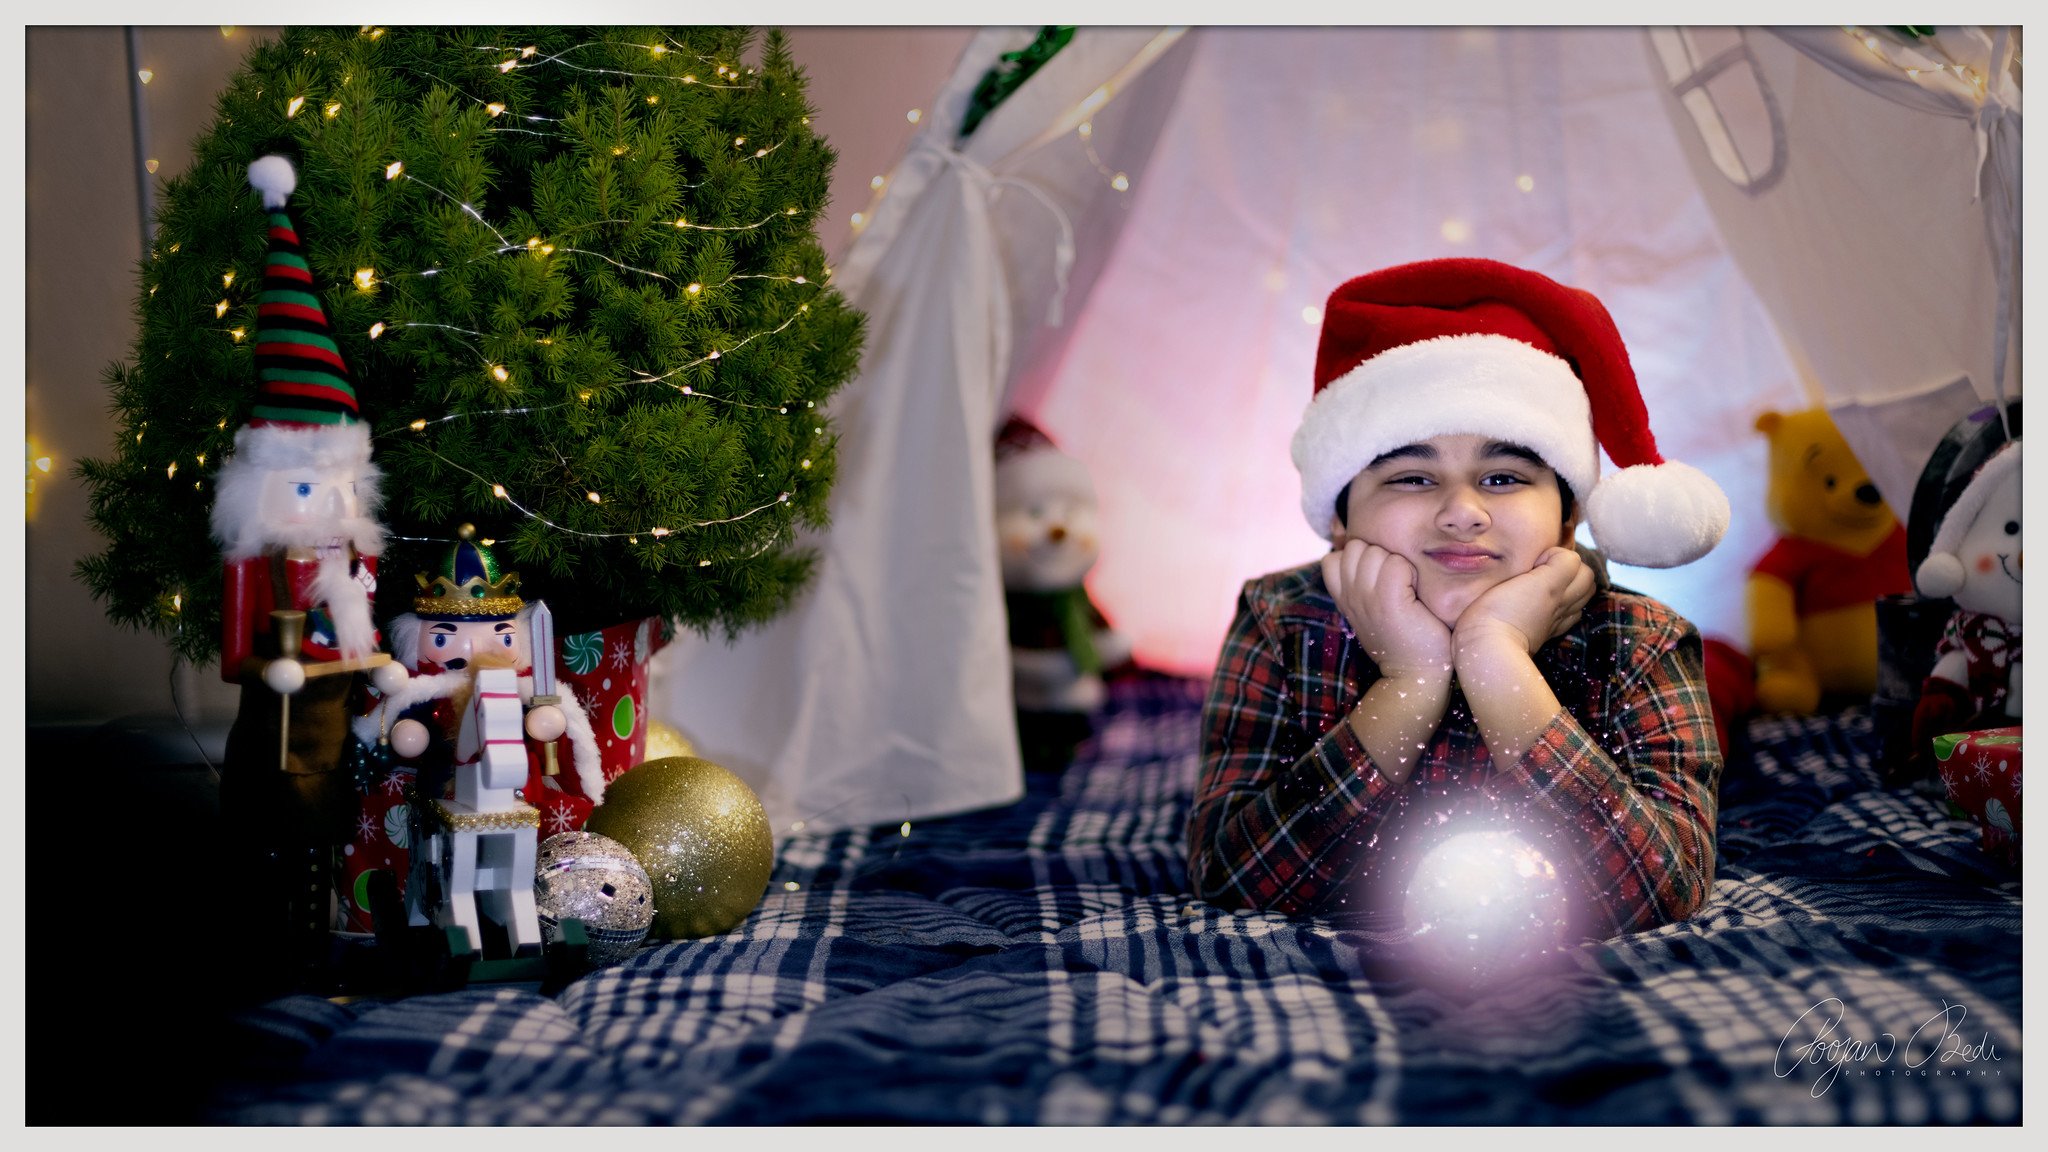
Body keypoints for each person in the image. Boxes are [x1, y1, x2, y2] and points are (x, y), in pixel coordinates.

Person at [1186, 258, 1731, 939]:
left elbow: (1666, 886)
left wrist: (1497, 659)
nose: (1462, 512)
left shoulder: (1638, 637)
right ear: (1339, 519)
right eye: (1413, 478)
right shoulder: (1282, 621)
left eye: (1502, 478)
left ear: (1566, 518)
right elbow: (1230, 874)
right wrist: (1411, 682)